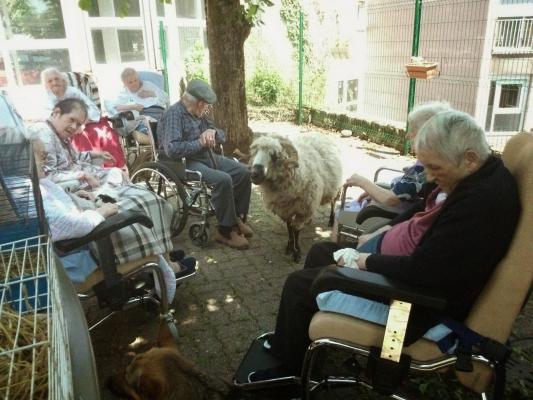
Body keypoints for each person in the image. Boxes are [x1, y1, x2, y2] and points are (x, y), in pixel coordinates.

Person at [249, 110, 520, 381]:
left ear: (470, 158)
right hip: (407, 273)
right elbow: (420, 210)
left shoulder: (479, 205)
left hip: (412, 306)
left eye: (434, 168)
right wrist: (387, 229)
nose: (428, 178)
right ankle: (307, 344)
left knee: (299, 285)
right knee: (321, 252)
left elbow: (426, 271)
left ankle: (288, 374)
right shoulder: (478, 174)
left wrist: (364, 261)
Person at [32, 138, 181, 301]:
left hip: (84, 229)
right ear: (27, 159)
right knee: (143, 206)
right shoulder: (35, 192)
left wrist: (73, 196)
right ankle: (163, 261)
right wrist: (101, 212)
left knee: (142, 200)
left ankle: (165, 253)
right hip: (89, 247)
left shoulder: (36, 185)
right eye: (42, 157)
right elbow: (70, 224)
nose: (44, 163)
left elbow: (61, 211)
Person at [332, 101, 452, 241]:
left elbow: (391, 199)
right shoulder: (427, 162)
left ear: (425, 134)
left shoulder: (423, 168)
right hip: (396, 209)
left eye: (412, 130)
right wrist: (373, 189)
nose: (407, 135)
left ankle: (336, 252)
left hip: (391, 212)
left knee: (339, 213)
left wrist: (361, 181)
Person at [158, 79, 253, 250]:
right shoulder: (174, 114)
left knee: (243, 172)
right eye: (206, 105)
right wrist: (199, 143)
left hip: (205, 157)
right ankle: (224, 232)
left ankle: (234, 218)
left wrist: (213, 132)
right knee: (222, 180)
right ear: (200, 103)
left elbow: (222, 135)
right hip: (181, 162)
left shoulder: (199, 114)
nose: (207, 108)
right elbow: (172, 149)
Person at [26, 98, 124, 192]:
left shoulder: (59, 133)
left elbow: (74, 157)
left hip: (88, 177)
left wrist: (97, 154)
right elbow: (47, 176)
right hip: (75, 186)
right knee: (119, 181)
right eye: (71, 119)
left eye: (78, 124)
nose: (74, 127)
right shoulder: (43, 133)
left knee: (117, 173)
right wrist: (82, 175)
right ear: (56, 113)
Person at [41, 67, 126, 168]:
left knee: (103, 134)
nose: (54, 82)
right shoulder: (46, 98)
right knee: (79, 138)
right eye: (50, 81)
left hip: (87, 121)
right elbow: (49, 118)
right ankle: (89, 168)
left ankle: (113, 166)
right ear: (45, 85)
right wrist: (74, 126)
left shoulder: (73, 92)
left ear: (62, 80)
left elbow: (92, 108)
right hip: (64, 130)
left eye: (56, 79)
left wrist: (81, 122)